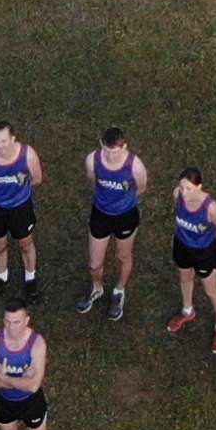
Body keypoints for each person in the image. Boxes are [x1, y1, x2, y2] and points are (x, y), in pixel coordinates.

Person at [80, 128, 146, 317]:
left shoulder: (135, 166)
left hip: (125, 217)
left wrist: (122, 202)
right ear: (101, 144)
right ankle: (97, 288)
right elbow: (92, 180)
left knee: (123, 256)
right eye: (107, 151)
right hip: (100, 215)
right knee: (94, 264)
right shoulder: (92, 160)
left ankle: (119, 290)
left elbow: (141, 188)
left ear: (124, 147)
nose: (110, 156)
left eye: (115, 152)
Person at [164, 167, 216, 353]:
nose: (184, 192)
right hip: (182, 246)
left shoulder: (210, 208)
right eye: (182, 187)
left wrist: (203, 238)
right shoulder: (177, 195)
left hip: (203, 252)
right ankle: (187, 311)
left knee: (211, 290)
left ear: (199, 187)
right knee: (185, 278)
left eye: (189, 188)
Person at [0, 123, 45, 306]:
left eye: (4, 141)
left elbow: (37, 178)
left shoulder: (27, 155)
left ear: (13, 139)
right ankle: (2, 277)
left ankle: (30, 278)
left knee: (26, 244)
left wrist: (21, 184)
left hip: (20, 208)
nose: (0, 146)